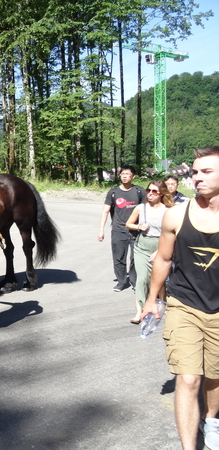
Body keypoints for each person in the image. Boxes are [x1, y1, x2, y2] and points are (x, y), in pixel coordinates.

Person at [141, 146, 219, 450]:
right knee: (188, 379)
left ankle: (211, 419)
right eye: (195, 172)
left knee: (214, 378)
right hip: (184, 305)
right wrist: (152, 300)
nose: (196, 177)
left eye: (206, 172)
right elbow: (162, 259)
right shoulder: (176, 215)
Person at [125, 180, 173, 324]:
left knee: (160, 280)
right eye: (148, 190)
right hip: (142, 247)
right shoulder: (141, 208)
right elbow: (128, 223)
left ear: (161, 194)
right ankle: (139, 311)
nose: (150, 194)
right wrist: (139, 226)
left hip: (161, 246)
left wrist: (159, 251)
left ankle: (161, 305)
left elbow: (172, 233)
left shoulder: (168, 211)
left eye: (154, 191)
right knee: (142, 280)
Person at [98, 166, 145, 291]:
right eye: (122, 174)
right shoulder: (113, 192)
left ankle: (134, 282)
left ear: (133, 176)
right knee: (118, 258)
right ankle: (121, 281)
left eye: (127, 174)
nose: (124, 176)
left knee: (136, 258)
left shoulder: (139, 191)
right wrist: (101, 230)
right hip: (118, 230)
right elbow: (105, 211)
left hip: (136, 230)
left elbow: (147, 210)